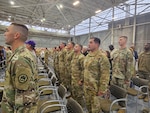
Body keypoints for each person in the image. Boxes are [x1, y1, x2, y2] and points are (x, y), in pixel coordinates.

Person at [2, 23, 39, 113]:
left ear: (16, 35)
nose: (4, 34)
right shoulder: (18, 55)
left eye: (7, 31)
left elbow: (24, 98)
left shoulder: (21, 59)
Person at [83, 37, 110, 113]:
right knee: (88, 107)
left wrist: (102, 89)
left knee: (95, 109)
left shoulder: (102, 57)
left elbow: (105, 74)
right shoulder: (88, 56)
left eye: (91, 42)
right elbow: (85, 70)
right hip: (87, 87)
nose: (89, 44)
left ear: (97, 44)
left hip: (95, 88)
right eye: (89, 42)